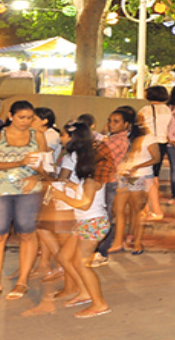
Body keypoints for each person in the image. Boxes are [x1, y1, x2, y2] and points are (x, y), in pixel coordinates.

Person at [0, 99, 43, 303]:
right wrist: (19, 162)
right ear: (10, 116)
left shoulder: (37, 135)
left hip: (28, 190)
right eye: (22, 117)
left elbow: (44, 164)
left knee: (27, 233)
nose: (26, 121)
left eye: (30, 118)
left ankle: (22, 281)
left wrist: (37, 176)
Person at [48, 121, 112, 318]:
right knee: (66, 257)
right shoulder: (87, 179)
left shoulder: (91, 179)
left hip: (92, 222)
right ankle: (85, 293)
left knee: (82, 263)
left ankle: (99, 303)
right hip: (85, 222)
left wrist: (62, 196)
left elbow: (85, 204)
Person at [108, 111, 157, 256]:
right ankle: (119, 242)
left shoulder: (147, 138)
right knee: (119, 210)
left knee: (136, 210)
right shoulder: (121, 138)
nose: (111, 124)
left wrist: (137, 167)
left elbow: (156, 158)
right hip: (124, 175)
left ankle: (137, 241)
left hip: (138, 176)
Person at [90, 108, 133, 268]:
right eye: (110, 121)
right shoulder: (111, 139)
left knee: (105, 216)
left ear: (126, 124)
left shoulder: (117, 141)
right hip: (106, 180)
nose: (111, 124)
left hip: (109, 181)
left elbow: (98, 156)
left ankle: (102, 251)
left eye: (116, 121)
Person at [137, 86, 171, 220]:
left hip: (148, 143)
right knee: (154, 175)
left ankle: (151, 209)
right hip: (162, 142)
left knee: (148, 176)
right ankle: (149, 208)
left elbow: (140, 127)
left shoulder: (144, 110)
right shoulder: (167, 110)